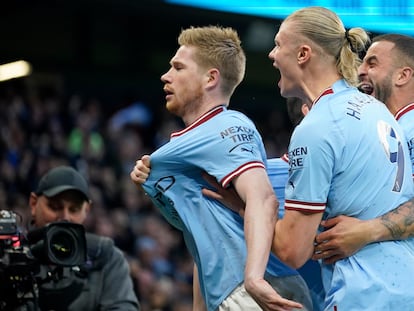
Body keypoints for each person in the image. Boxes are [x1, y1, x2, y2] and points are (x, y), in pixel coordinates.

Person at [130, 25, 312, 311]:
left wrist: (253, 279)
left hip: (255, 290)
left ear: (210, 78)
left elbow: (262, 198)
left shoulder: (227, 126)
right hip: (232, 292)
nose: (166, 76)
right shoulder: (197, 143)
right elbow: (203, 237)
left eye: (178, 67)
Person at [264, 6, 414, 310]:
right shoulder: (377, 113)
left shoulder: (325, 123)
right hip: (399, 282)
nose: (272, 54)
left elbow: (293, 251)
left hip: (364, 291)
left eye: (279, 44)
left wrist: (246, 205)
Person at [313, 33, 414, 263]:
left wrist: (367, 231)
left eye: (372, 63)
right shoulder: (385, 127)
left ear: (402, 75)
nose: (360, 71)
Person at [29, 165, 140, 310]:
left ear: (86, 210)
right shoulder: (12, 255)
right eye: (55, 207)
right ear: (33, 203)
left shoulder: (104, 256)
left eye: (74, 209)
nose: (65, 217)